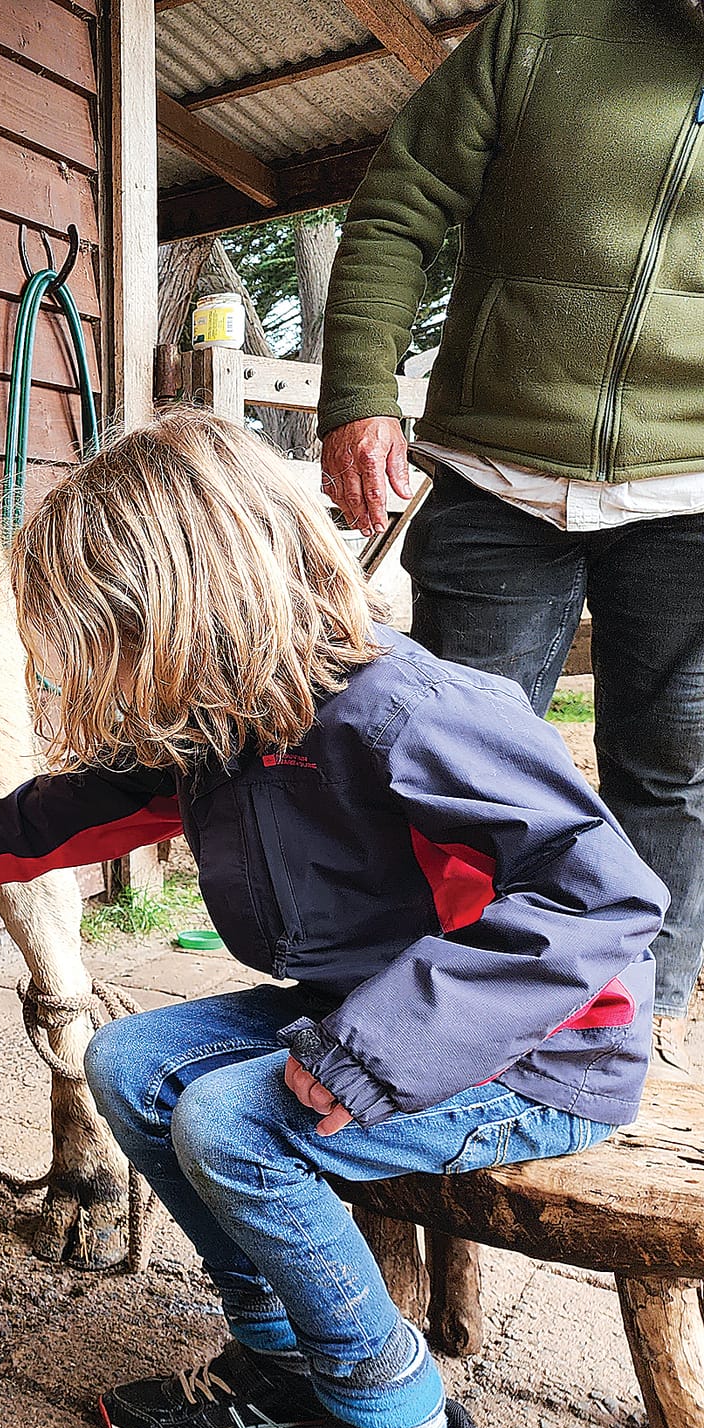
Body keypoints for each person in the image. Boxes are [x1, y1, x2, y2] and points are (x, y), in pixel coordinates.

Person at [0, 411, 665, 1428]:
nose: (102, 681)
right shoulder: (221, 730)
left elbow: (601, 898)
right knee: (128, 1065)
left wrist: (372, 1048)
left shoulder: (406, 716)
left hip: (540, 1055)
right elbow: (30, 823)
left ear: (195, 609)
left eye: (111, 644)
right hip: (367, 1018)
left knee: (228, 1123)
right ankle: (277, 1363)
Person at [318, 0, 704, 1081]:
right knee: (453, 760)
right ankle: (442, 995)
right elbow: (398, 205)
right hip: (495, 469)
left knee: (671, 763)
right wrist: (354, 392)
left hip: (691, 491)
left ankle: (645, 1003)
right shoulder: (544, 23)